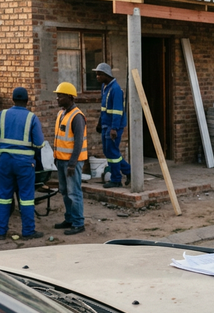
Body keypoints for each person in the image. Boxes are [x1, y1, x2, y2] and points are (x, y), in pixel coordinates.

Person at [0, 87, 45, 240]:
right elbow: (39, 143)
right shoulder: (31, 118)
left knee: (4, 196)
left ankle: (1, 232)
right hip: (24, 164)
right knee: (26, 197)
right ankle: (28, 231)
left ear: (12, 99)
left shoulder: (2, 114)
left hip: (4, 161)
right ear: (27, 101)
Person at [53, 82, 87, 235]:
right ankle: (70, 218)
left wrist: (72, 163)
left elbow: (78, 142)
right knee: (65, 191)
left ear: (69, 97)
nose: (57, 98)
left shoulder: (77, 116)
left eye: (60, 96)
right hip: (61, 160)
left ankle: (78, 223)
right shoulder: (61, 113)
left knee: (74, 192)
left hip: (72, 162)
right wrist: (56, 158)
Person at [94, 63, 130, 188]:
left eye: (99, 74)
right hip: (106, 125)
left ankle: (116, 179)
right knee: (108, 151)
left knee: (112, 152)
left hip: (113, 127)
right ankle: (128, 171)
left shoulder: (115, 89)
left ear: (106, 75)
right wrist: (100, 122)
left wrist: (114, 128)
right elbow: (104, 108)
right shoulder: (105, 87)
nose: (97, 77)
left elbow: (117, 111)